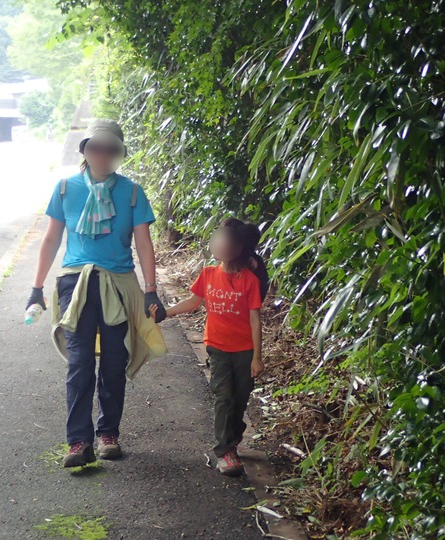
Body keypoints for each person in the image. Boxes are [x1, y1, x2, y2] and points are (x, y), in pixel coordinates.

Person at [27, 119, 168, 468]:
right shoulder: (64, 189)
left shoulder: (132, 192)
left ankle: (109, 434)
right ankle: (78, 442)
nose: (102, 155)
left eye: (110, 149)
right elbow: (51, 240)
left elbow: (144, 245)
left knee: (115, 362)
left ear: (118, 153)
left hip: (118, 284)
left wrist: (151, 291)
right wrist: (36, 289)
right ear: (84, 150)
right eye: (95, 148)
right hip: (75, 283)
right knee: (79, 363)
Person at [151, 217, 268, 476]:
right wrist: (164, 313)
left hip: (245, 350)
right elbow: (194, 301)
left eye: (225, 242)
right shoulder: (208, 274)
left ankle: (232, 439)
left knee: (239, 399)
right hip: (217, 347)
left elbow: (254, 319)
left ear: (238, 248)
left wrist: (257, 357)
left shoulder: (249, 279)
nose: (218, 246)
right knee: (224, 396)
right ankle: (225, 452)